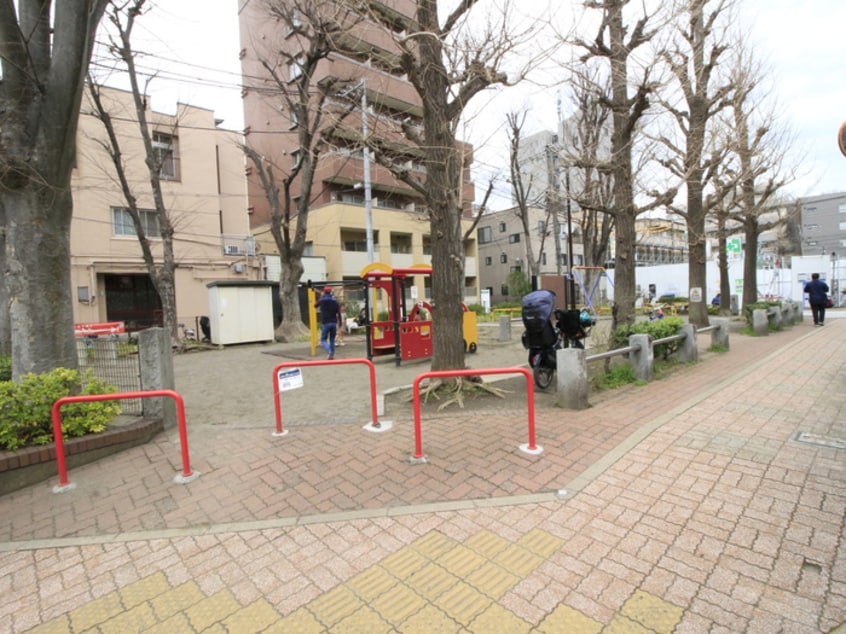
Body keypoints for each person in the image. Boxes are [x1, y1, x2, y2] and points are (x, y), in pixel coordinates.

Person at [315, 286, 342, 358]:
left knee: (323, 339)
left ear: (324, 292)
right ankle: (332, 354)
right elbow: (339, 313)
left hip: (325, 322)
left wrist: (321, 297)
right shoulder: (335, 301)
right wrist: (340, 323)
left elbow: (315, 305)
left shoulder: (322, 300)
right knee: (332, 339)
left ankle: (329, 351)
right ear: (331, 292)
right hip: (333, 322)